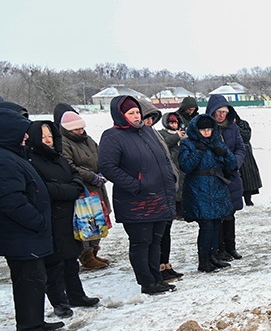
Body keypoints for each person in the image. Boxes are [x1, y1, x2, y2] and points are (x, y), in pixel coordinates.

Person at [98, 95, 178, 295]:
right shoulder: (113, 136)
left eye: (137, 112)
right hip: (136, 200)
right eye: (130, 113)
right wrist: (136, 185)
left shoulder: (148, 131)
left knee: (155, 240)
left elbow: (163, 160)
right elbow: (108, 167)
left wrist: (170, 179)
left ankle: (156, 278)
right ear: (120, 115)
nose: (136, 116)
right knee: (141, 242)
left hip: (159, 195)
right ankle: (146, 282)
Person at [25, 120, 100, 319]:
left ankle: (77, 295)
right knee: (55, 264)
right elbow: (43, 188)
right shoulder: (32, 160)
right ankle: (59, 302)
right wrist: (69, 190)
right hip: (51, 217)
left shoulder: (58, 156)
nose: (48, 140)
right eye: (43, 137)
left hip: (69, 215)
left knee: (71, 260)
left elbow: (74, 174)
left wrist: (74, 186)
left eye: (50, 136)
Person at [0, 108, 62, 331]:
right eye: (22, 133)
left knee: (36, 280)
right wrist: (37, 220)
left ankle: (36, 322)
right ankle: (29, 330)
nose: (27, 137)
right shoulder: (4, 160)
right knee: (27, 282)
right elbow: (10, 200)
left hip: (28, 235)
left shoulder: (13, 155)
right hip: (22, 235)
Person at [178, 115, 238, 272]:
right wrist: (198, 151)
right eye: (204, 129)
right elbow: (185, 166)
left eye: (209, 129)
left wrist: (224, 153)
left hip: (217, 187)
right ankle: (203, 260)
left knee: (217, 223)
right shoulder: (188, 144)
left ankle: (213, 256)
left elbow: (233, 164)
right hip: (199, 188)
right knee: (207, 226)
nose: (207, 132)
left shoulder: (216, 142)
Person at [59, 110, 111, 271]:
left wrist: (103, 171)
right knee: (87, 222)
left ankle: (94, 251)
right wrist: (90, 176)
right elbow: (69, 165)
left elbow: (101, 154)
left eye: (81, 128)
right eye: (76, 129)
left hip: (98, 186)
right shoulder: (64, 143)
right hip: (84, 188)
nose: (80, 132)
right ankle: (86, 254)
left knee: (100, 220)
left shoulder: (87, 139)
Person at [141, 99, 184, 282]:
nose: (149, 121)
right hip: (150, 190)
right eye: (145, 118)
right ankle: (155, 268)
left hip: (166, 187)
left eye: (151, 118)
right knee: (153, 235)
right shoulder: (143, 136)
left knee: (165, 230)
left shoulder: (152, 134)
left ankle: (165, 263)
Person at [205, 95, 246, 261]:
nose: (221, 115)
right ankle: (219, 248)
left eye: (224, 112)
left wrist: (234, 162)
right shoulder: (205, 128)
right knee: (217, 215)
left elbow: (240, 148)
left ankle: (231, 247)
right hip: (214, 177)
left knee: (230, 213)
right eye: (218, 112)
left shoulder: (232, 128)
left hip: (231, 175)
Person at [234, 111, 262, 207]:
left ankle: (248, 199)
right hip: (233, 153)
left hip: (246, 155)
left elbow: (246, 137)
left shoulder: (243, 124)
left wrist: (235, 127)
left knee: (248, 178)